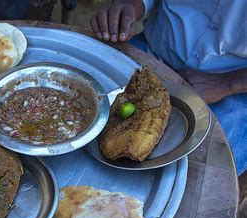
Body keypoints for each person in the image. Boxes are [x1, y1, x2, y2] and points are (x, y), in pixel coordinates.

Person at [90, 0, 247, 175]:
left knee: (206, 175)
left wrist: (226, 83)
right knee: (85, 97)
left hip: (231, 86)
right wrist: (131, 6)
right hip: (153, 50)